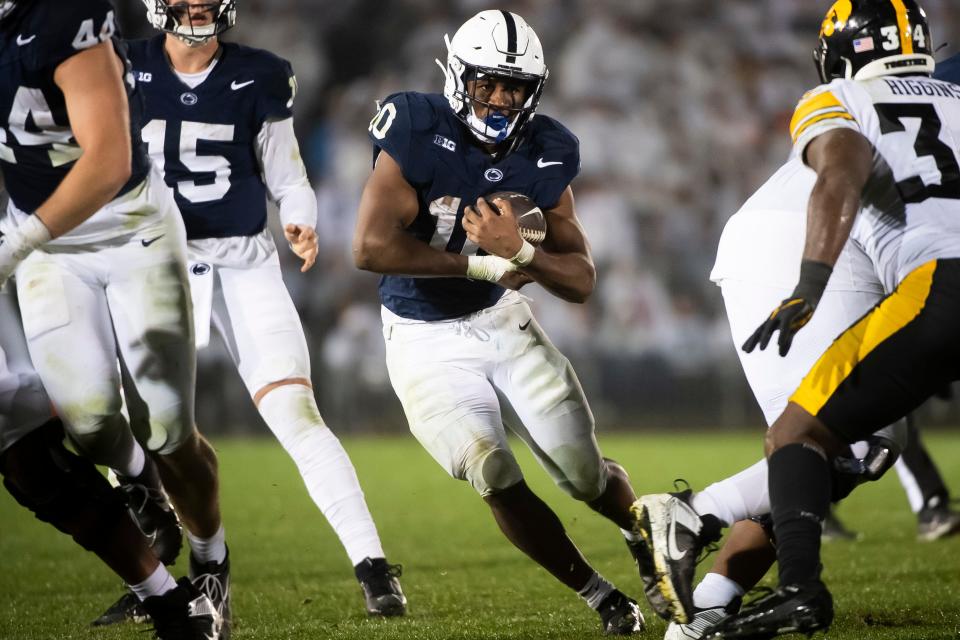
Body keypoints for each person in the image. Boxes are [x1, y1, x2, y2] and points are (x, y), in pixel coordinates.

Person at [640, 2, 960, 637]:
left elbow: (839, 173)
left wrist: (809, 284)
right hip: (881, 271)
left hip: (923, 280)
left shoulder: (839, 96)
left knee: (804, 439)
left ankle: (725, 541)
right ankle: (709, 602)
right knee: (848, 449)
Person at [111, 0, 406, 622]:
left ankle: (373, 566)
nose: (195, 8)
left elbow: (287, 172)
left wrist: (301, 217)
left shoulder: (261, 73)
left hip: (242, 262)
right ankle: (170, 560)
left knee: (295, 412)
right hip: (151, 263)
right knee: (117, 416)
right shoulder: (120, 62)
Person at [353, 10, 645, 635]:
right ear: (459, 76)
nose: (499, 98)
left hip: (503, 324)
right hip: (423, 337)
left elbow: (582, 279)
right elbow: (369, 248)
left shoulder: (548, 149)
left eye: (513, 86)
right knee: (491, 469)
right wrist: (482, 265)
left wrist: (522, 255)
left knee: (586, 475)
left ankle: (648, 541)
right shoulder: (414, 126)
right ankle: (600, 596)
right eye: (487, 82)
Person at [0, 1, 220, 637]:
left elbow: (107, 161)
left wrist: (11, 249)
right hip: (43, 240)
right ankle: (139, 482)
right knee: (90, 418)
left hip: (128, 231)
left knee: (172, 430)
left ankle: (213, 557)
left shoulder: (62, 14)